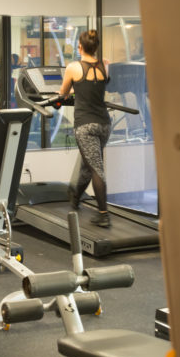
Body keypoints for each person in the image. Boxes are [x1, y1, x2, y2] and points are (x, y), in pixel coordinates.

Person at [58, 29, 112, 228]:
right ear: (96, 47)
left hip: (85, 125)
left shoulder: (73, 67)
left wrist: (66, 91)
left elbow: (63, 94)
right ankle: (75, 197)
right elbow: (97, 85)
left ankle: (103, 214)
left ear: (80, 47)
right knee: (88, 164)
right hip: (104, 124)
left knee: (95, 167)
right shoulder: (105, 65)